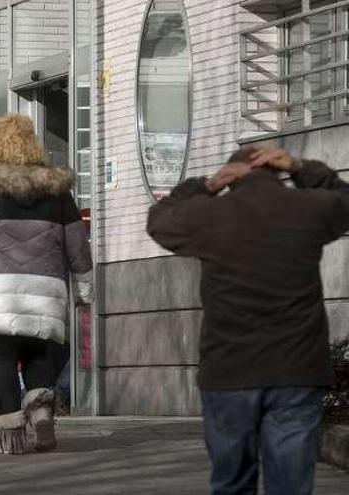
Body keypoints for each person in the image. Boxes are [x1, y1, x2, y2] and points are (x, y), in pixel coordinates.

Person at [147, 147, 349, 494]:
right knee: (290, 484)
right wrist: (302, 168)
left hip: (229, 371)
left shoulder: (211, 216)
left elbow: (160, 220)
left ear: (232, 176)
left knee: (232, 482)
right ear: (276, 172)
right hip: (296, 371)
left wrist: (206, 186)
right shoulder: (307, 209)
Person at [0, 114, 93, 454]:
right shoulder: (57, 191)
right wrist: (84, 289)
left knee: (2, 357)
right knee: (37, 353)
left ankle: (10, 436)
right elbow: (77, 245)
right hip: (45, 288)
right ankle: (42, 415)